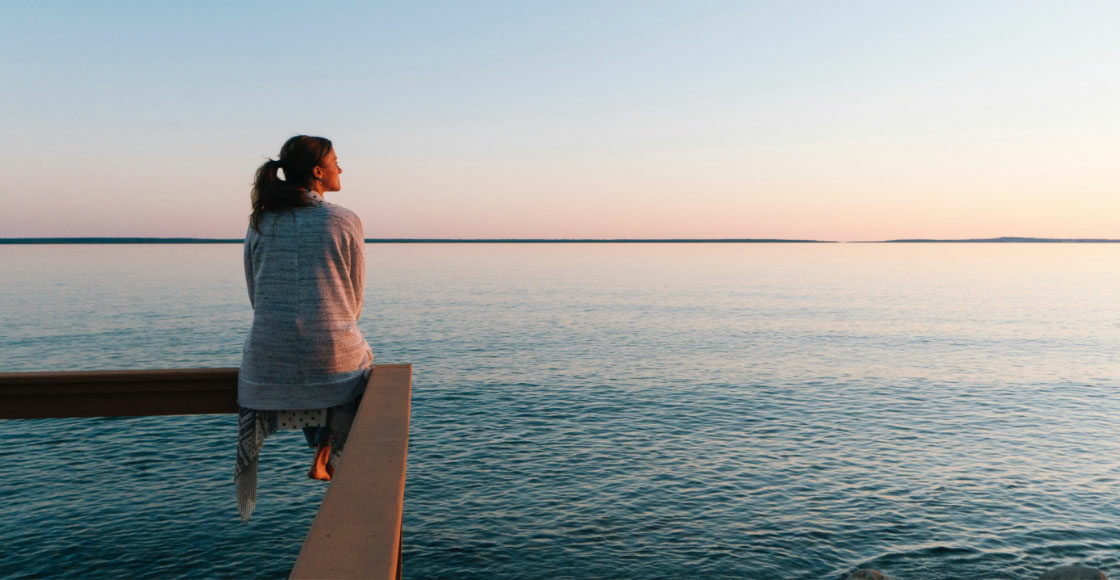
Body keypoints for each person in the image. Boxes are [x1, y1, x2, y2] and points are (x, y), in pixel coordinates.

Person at [235, 135, 372, 521]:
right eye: (335, 161)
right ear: (317, 172)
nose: (340, 168)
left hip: (265, 361)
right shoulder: (345, 220)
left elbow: (254, 292)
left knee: (316, 366)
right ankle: (323, 450)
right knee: (356, 361)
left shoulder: (260, 221)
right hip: (331, 357)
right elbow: (354, 299)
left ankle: (319, 447)